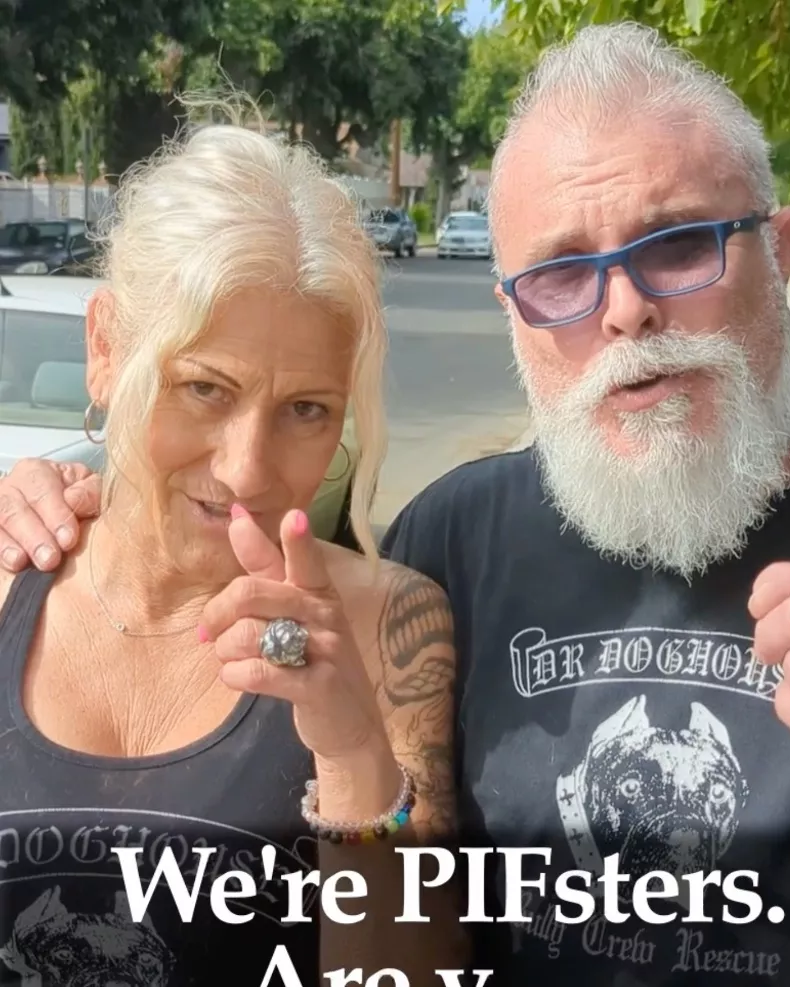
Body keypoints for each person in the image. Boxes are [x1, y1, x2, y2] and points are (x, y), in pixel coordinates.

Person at [3, 22, 790, 987]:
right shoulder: (456, 538)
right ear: (513, 315)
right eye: (561, 273)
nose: (625, 308)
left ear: (779, 251)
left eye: (675, 246)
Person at [0, 93, 464, 986]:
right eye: (204, 388)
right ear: (105, 349)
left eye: (306, 409)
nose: (248, 468)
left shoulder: (385, 626)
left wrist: (352, 752)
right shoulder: (11, 571)